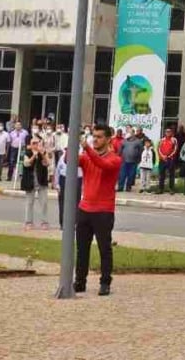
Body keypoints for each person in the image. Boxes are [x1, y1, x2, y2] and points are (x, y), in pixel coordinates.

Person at [74, 125, 122, 296]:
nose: (95, 139)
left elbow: (101, 164)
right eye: (93, 136)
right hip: (85, 208)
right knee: (81, 248)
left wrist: (86, 147)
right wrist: (71, 144)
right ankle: (80, 281)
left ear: (109, 139)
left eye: (99, 137)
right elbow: (69, 160)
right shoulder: (87, 156)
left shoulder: (114, 159)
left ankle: (105, 282)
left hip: (103, 210)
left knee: (104, 248)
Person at [21, 137, 51, 231]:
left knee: (44, 203)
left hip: (41, 181)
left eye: (37, 143)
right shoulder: (27, 153)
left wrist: (42, 154)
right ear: (30, 144)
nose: (35, 145)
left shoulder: (43, 152)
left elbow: (47, 163)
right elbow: (26, 164)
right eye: (33, 143)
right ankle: (28, 222)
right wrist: (33, 156)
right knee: (29, 203)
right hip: (30, 182)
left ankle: (44, 222)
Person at [56, 150, 82, 230]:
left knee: (77, 202)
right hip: (64, 178)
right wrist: (57, 184)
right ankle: (63, 223)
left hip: (77, 178)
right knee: (63, 201)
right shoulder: (63, 157)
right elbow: (58, 170)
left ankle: (75, 223)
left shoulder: (80, 156)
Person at [157, 127, 178, 193]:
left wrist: (169, 156)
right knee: (161, 174)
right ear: (165, 133)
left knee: (171, 175)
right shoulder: (161, 140)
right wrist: (162, 156)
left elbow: (175, 149)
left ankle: (171, 189)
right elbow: (158, 149)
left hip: (170, 159)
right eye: (167, 132)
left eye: (169, 132)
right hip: (162, 159)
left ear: (171, 132)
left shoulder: (174, 140)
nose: (168, 133)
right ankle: (160, 189)